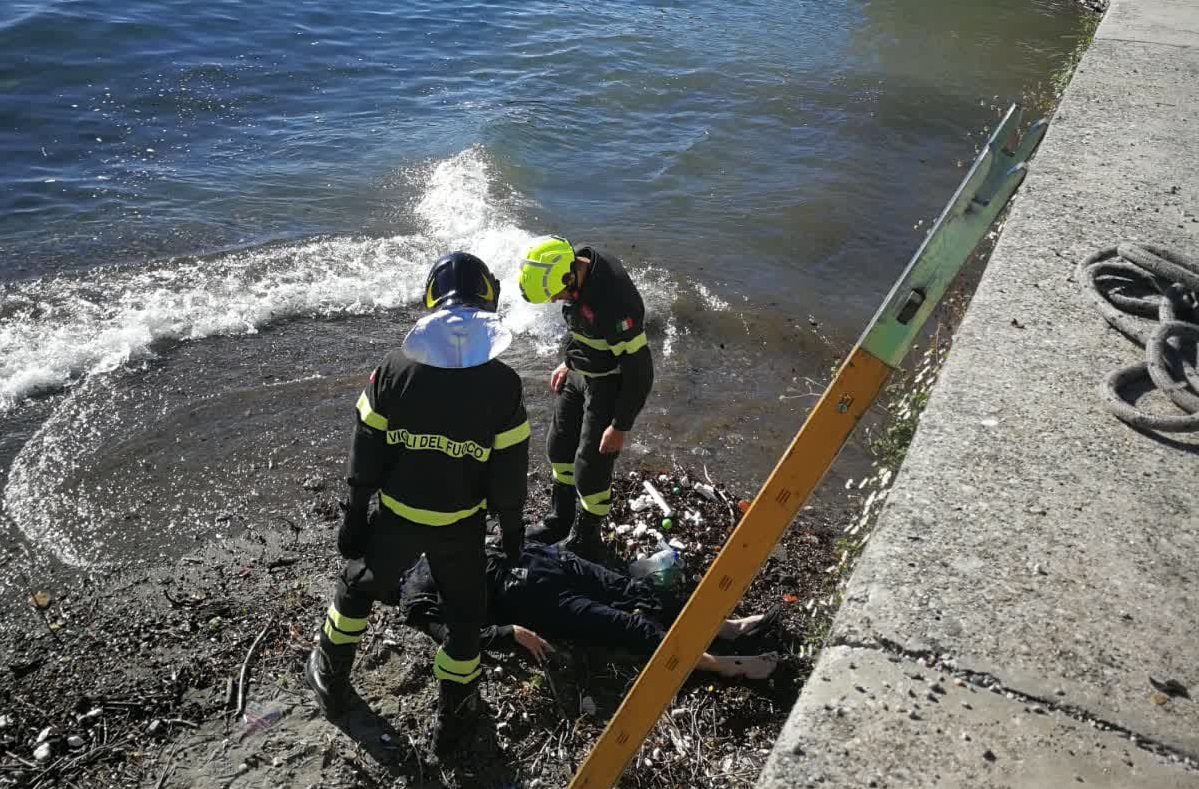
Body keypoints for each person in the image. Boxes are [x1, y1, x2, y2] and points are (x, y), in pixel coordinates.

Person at [305, 252, 531, 755]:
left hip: (398, 516)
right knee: (465, 618)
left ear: (431, 298)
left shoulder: (393, 369)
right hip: (460, 526)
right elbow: (510, 468)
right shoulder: (503, 384)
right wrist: (512, 531)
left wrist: (355, 511)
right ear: (488, 300)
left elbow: (366, 444)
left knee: (358, 587)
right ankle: (454, 716)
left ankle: (331, 671)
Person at [400, 540, 782, 680]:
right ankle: (724, 665)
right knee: (628, 627)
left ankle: (726, 627)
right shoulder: (414, 589)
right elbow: (448, 636)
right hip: (531, 600)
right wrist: (509, 633)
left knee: (635, 590)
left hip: (543, 560)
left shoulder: (448, 527)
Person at [517, 236, 654, 559]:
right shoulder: (572, 263)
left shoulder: (615, 303)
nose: (553, 301)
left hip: (608, 382)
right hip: (579, 371)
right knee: (558, 446)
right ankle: (559, 520)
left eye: (554, 295)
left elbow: (640, 372)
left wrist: (620, 425)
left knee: (591, 468)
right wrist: (568, 361)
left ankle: (586, 538)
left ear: (568, 278)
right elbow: (579, 322)